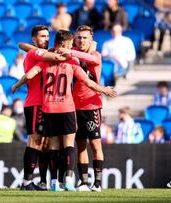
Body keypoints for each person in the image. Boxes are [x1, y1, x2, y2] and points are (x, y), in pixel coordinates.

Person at [12, 30, 117, 192]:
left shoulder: (45, 60)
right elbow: (88, 82)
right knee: (67, 145)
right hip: (67, 107)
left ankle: (53, 182)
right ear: (67, 45)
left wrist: (17, 85)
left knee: (51, 145)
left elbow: (30, 72)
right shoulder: (71, 61)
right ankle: (66, 181)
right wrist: (104, 89)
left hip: (48, 107)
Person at [12, 25, 72, 191]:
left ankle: (40, 181)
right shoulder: (37, 53)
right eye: (42, 36)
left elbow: (21, 45)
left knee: (44, 143)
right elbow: (58, 58)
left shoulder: (40, 52)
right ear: (34, 39)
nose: (46, 39)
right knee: (35, 141)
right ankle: (26, 182)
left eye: (47, 36)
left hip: (46, 104)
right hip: (36, 103)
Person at [70, 25, 104, 192]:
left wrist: (72, 51)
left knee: (95, 145)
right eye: (79, 37)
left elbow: (93, 60)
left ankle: (97, 183)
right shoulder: (73, 54)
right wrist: (71, 50)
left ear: (91, 40)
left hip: (92, 105)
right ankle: (83, 182)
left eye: (85, 38)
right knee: (80, 145)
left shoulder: (96, 55)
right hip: (74, 107)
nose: (81, 40)